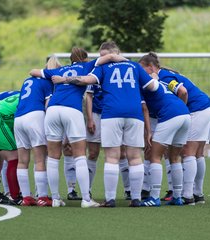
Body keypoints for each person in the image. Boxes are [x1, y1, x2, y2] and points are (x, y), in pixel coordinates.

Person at [52, 41, 159, 207]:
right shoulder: (134, 66)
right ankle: (136, 199)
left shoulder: (102, 68)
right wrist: (155, 78)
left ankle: (110, 199)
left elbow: (85, 80)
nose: (101, 59)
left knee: (111, 157)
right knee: (135, 156)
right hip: (134, 113)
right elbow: (153, 87)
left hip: (111, 114)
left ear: (112, 54)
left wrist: (65, 79)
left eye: (103, 56)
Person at [30, 47, 126, 208]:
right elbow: (109, 57)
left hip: (52, 110)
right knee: (80, 156)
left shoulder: (60, 69)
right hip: (71, 110)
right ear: (85, 59)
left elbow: (33, 71)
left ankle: (55, 199)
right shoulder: (86, 66)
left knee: (53, 157)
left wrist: (53, 76)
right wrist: (126, 62)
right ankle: (86, 199)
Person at [139, 52, 210, 205]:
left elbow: (183, 92)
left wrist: (180, 108)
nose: (142, 74)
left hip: (196, 109)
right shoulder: (165, 76)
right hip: (204, 107)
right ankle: (195, 194)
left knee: (188, 152)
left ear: (151, 67)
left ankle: (187, 196)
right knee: (197, 153)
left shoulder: (164, 76)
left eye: (143, 69)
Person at [14, 56, 61, 206]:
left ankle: (26, 197)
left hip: (18, 118)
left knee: (22, 161)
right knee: (40, 159)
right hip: (34, 116)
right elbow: (47, 105)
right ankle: (42, 196)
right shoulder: (48, 82)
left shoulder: (27, 80)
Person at [140, 79, 191, 207]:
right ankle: (177, 197)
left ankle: (154, 197)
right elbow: (183, 92)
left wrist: (148, 132)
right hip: (185, 114)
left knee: (154, 156)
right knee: (175, 157)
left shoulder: (141, 85)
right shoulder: (163, 82)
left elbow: (144, 109)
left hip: (170, 115)